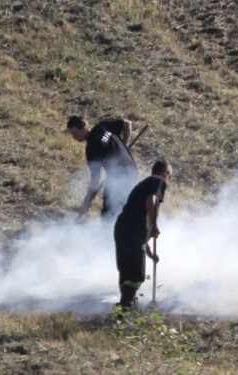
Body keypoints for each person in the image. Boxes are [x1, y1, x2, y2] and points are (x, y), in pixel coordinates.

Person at [113, 160, 172, 312]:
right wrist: (155, 223)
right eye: (170, 177)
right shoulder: (158, 181)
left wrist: (150, 255)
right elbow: (151, 200)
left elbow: (140, 238)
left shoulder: (144, 184)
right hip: (132, 230)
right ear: (165, 173)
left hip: (122, 228)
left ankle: (126, 305)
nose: (169, 181)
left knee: (126, 272)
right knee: (136, 273)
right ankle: (125, 309)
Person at [66, 116, 138, 217]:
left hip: (118, 179)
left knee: (108, 215)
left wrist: (86, 202)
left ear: (85, 127)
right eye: (72, 134)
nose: (73, 137)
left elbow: (95, 179)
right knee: (123, 210)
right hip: (132, 171)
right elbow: (127, 124)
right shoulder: (103, 126)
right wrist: (125, 145)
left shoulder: (91, 149)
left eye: (75, 133)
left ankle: (109, 230)